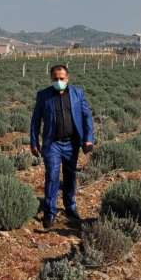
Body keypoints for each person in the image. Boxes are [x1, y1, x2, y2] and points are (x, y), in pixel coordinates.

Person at [30, 64, 94, 229]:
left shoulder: (77, 93)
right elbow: (35, 120)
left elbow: (87, 116)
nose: (58, 81)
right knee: (52, 175)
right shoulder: (44, 95)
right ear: (51, 79)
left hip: (72, 143)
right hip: (53, 144)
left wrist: (88, 138)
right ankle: (50, 212)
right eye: (55, 79)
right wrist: (34, 141)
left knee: (70, 176)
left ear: (67, 78)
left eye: (61, 78)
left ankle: (70, 207)